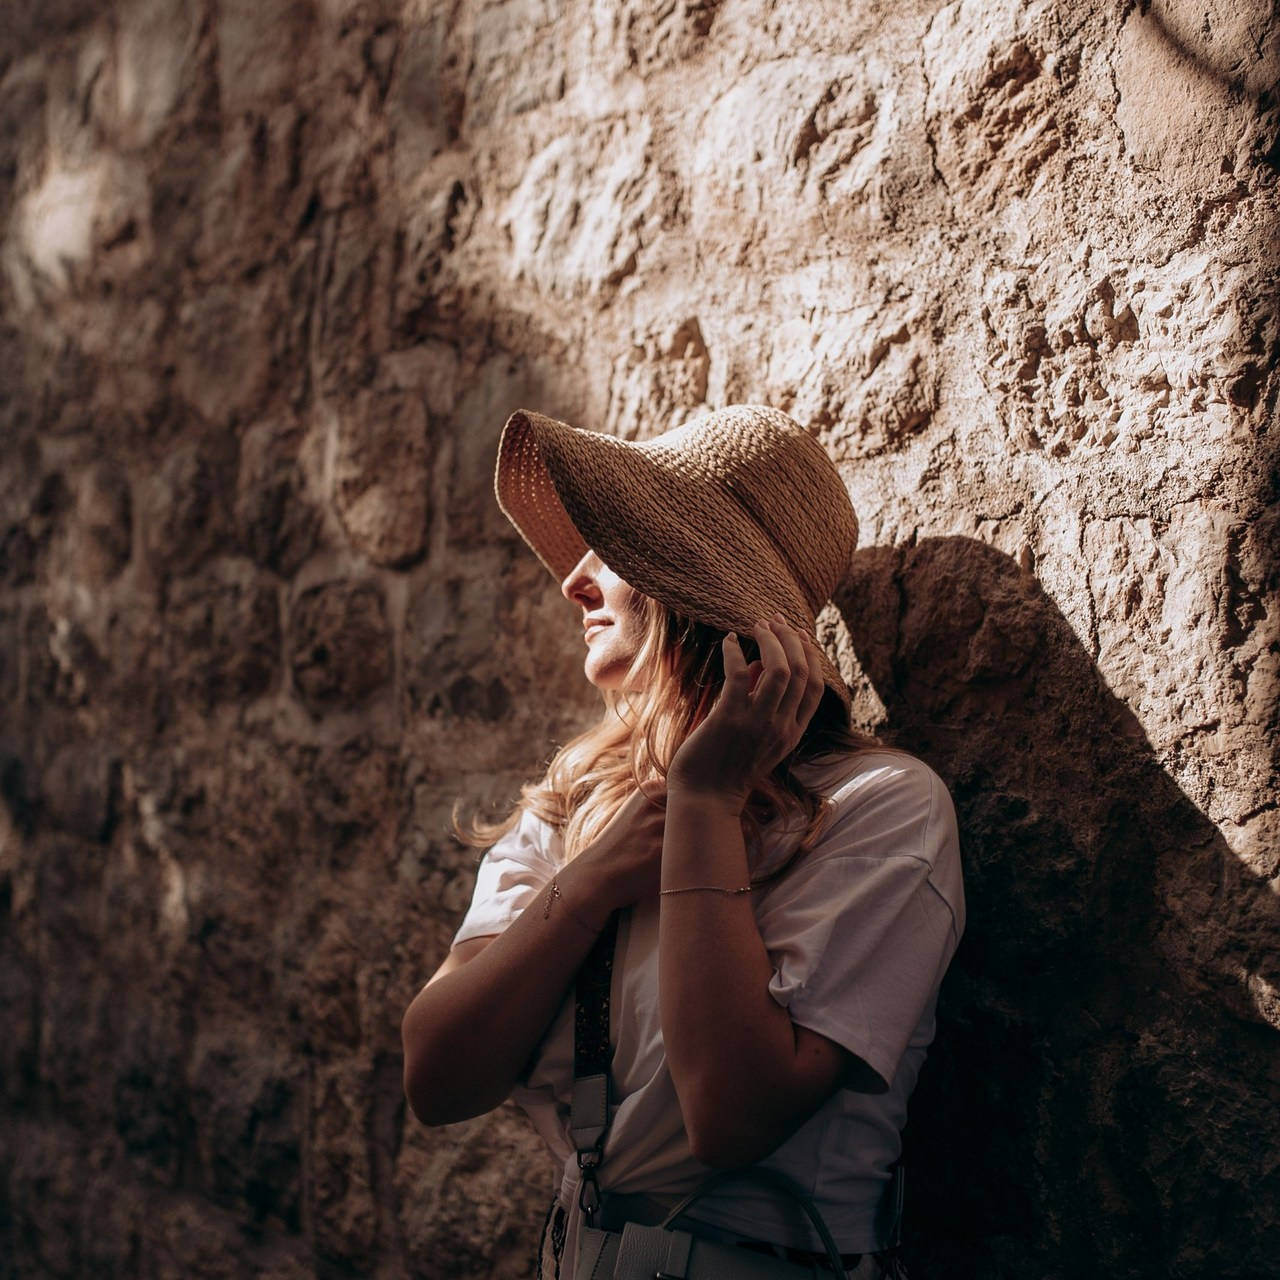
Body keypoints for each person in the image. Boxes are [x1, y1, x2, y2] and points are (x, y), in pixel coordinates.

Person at [402, 405, 964, 1279]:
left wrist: (704, 806)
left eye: (611, 548)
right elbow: (436, 1077)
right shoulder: (580, 803)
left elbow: (728, 1118)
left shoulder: (882, 809)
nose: (573, 584)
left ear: (698, 591)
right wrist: (584, 888)